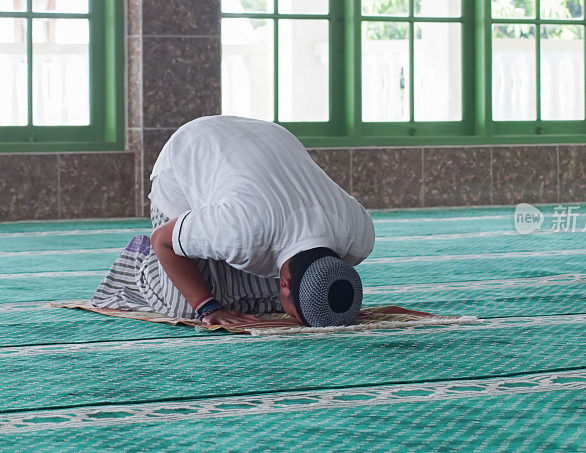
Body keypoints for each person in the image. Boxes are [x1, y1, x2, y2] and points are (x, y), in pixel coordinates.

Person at [92, 115, 375, 327]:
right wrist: (208, 307)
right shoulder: (241, 230)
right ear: (285, 281)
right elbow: (162, 241)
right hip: (191, 154)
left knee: (265, 298)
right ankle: (140, 263)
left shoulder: (360, 235)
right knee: (184, 305)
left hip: (267, 140)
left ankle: (208, 256)